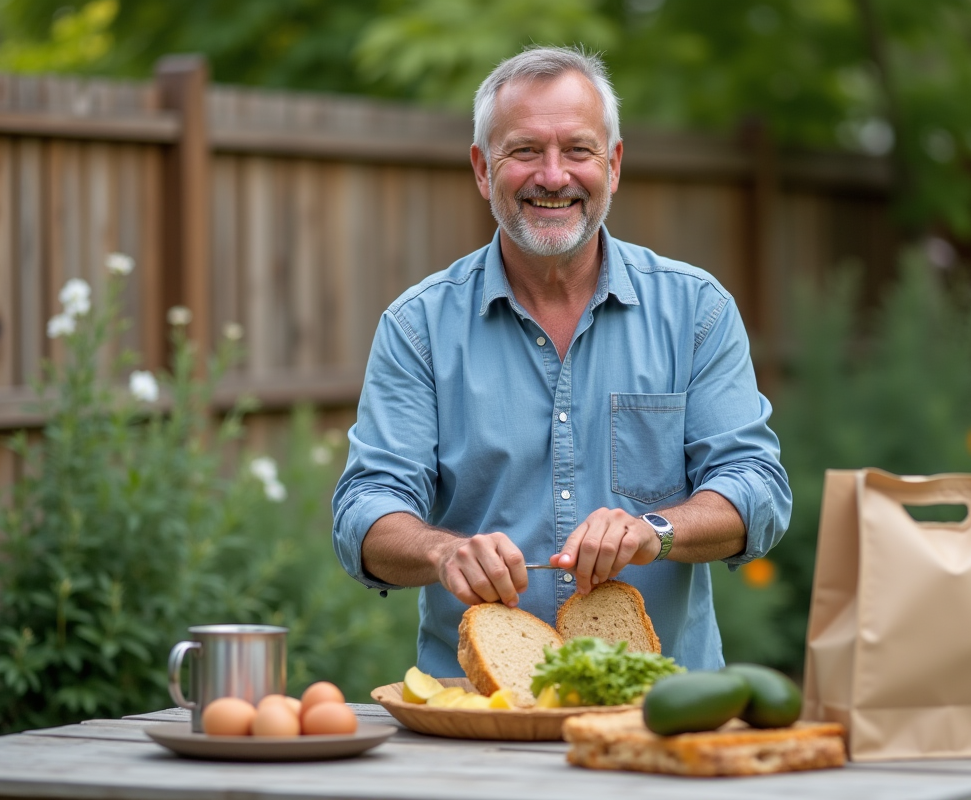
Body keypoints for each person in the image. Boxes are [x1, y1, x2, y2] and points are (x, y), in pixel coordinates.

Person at [332, 46, 791, 677]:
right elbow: (364, 509)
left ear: (615, 164)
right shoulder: (419, 327)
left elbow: (758, 491)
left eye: (577, 149)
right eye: (524, 151)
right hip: (478, 709)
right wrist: (445, 553)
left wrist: (651, 531)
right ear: (482, 170)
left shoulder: (697, 311)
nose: (553, 176)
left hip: (661, 708)